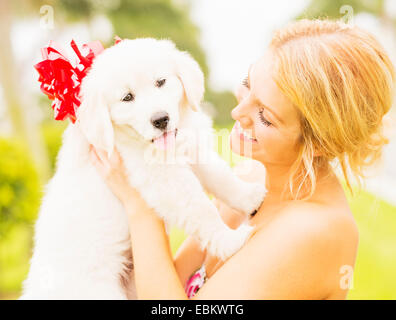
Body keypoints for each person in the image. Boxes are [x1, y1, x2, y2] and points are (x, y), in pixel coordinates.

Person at [89, 19, 395, 299]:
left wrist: (139, 203)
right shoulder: (251, 176)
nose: (238, 113)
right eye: (248, 84)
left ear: (319, 142)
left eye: (264, 115)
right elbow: (161, 284)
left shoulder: (314, 230)